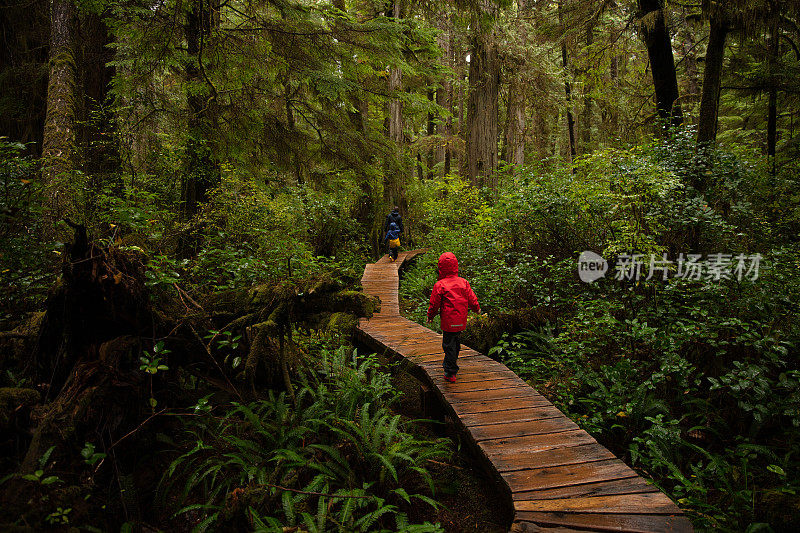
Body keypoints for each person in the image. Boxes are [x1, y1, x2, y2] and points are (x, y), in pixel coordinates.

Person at [426, 252, 481, 383]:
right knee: (455, 343)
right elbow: (471, 298)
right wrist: (476, 308)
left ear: (441, 267)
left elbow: (434, 304)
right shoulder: (463, 282)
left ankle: (450, 371)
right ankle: (450, 365)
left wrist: (430, 316)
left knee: (448, 345)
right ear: (456, 266)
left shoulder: (440, 285)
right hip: (460, 321)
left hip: (448, 322)